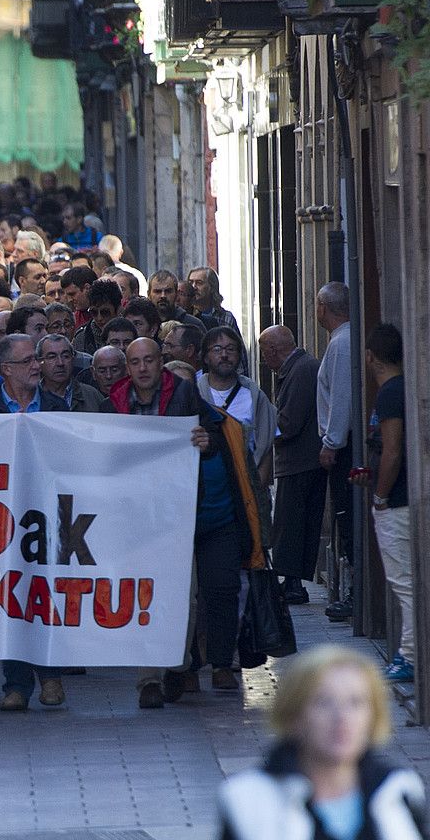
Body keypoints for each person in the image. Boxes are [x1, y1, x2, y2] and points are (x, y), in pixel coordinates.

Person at [104, 339, 269, 706]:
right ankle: (148, 681)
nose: (143, 368)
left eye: (149, 360)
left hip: (186, 513)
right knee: (144, 595)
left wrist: (204, 441)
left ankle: (180, 665)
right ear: (127, 367)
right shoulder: (112, 403)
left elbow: (215, 440)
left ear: (160, 362)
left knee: (189, 599)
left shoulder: (184, 395)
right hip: (140, 518)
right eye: (135, 362)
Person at [217, 645, 427, 840]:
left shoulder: (397, 790)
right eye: (324, 702)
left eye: (356, 703)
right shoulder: (247, 799)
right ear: (294, 715)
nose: (342, 717)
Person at [0, 334, 66, 710]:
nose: (37, 366)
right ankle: (17, 685)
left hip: (50, 515)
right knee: (11, 596)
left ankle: (51, 675)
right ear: (6, 369)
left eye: (36, 359)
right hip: (2, 519)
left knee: (48, 593)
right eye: (27, 361)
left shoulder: (60, 407)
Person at [358, 324, 413, 682]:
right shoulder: (399, 389)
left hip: (396, 503)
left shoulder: (391, 393)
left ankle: (409, 654)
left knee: (403, 581)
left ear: (370, 357)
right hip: (397, 496)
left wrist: (380, 496)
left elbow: (393, 450)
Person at [259, 324, 325, 606]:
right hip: (299, 461)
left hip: (299, 461)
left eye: (264, 353)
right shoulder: (300, 368)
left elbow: (288, 423)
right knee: (291, 525)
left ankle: (294, 584)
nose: (264, 360)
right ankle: (292, 582)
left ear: (274, 350)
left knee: (292, 524)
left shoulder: (301, 370)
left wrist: (261, 429)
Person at [316, 281, 355, 622]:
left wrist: (331, 443)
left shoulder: (342, 343)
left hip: (343, 448)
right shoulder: (340, 341)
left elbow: (341, 399)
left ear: (325, 308)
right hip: (340, 444)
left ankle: (354, 592)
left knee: (347, 516)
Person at [195, 326, 278, 478]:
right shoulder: (194, 395)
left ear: (239, 355)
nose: (224, 355)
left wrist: (258, 489)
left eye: (231, 349)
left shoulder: (255, 397)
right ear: (206, 357)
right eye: (217, 349)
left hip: (246, 483)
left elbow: (265, 447)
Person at [38, 335, 103, 412]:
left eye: (66, 356)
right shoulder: (30, 397)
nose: (60, 363)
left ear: (73, 359)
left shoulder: (91, 396)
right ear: (39, 362)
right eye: (52, 357)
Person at [188, 267, 240, 333]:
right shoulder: (185, 315)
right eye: (190, 282)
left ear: (212, 287)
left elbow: (236, 342)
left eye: (199, 283)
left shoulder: (226, 318)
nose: (193, 287)